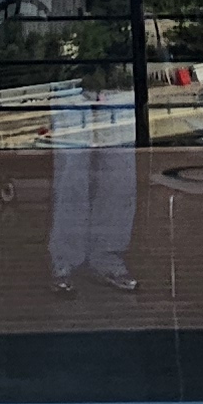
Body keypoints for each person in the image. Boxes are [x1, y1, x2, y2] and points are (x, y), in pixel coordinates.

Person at [45, 58, 140, 294]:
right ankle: (64, 261)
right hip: (71, 79)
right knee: (71, 180)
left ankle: (106, 257)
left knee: (119, 180)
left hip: (118, 80)